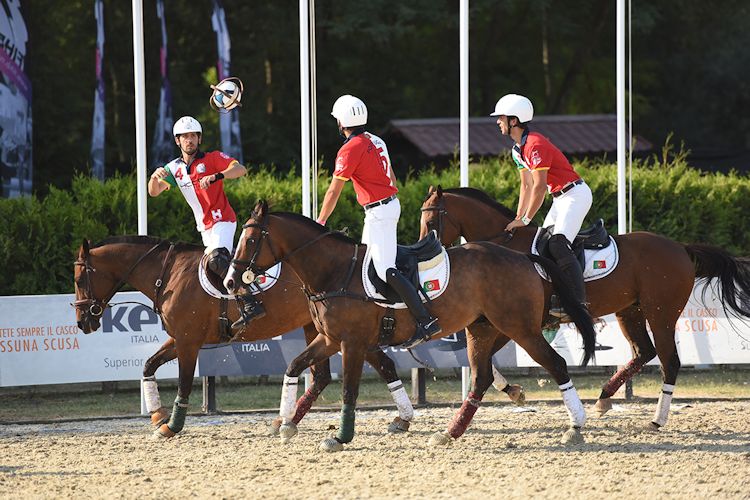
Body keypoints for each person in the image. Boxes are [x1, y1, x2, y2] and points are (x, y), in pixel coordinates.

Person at [315, 95, 441, 348]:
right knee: (365, 267)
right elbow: (392, 177)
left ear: (342, 122)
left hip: (379, 211)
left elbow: (333, 191)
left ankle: (426, 321)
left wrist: (320, 221)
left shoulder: (349, 149)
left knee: (384, 269)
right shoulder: (377, 139)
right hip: (384, 207)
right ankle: (372, 323)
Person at [148, 115, 265, 328]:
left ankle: (251, 303)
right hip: (205, 229)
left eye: (193, 136)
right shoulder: (174, 168)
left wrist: (216, 176)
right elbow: (153, 193)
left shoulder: (211, 158)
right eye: (184, 137)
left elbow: (240, 169)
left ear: (199, 139)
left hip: (223, 220)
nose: (189, 140)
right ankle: (225, 310)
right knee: (210, 270)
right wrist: (154, 178)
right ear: (178, 141)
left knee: (217, 260)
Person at [491, 94, 593, 314]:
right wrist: (518, 218)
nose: (498, 122)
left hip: (575, 195)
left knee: (557, 243)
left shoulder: (535, 144)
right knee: (542, 245)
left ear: (514, 121)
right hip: (560, 198)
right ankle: (556, 293)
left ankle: (579, 301)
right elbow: (525, 186)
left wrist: (526, 219)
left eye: (501, 118)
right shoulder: (517, 150)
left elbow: (538, 186)